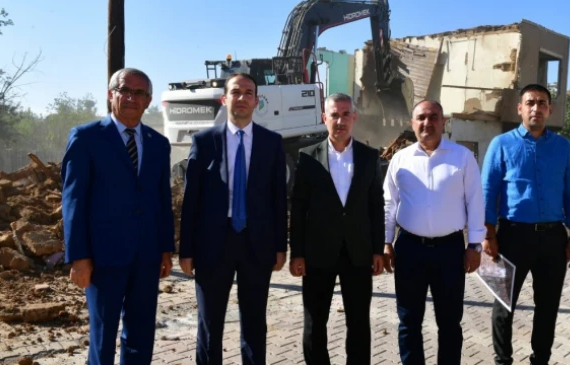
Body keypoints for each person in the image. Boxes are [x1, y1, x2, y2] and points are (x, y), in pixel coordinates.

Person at [61, 68, 175, 365]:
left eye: (139, 93)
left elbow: (162, 200)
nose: (131, 98)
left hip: (147, 256)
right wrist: (79, 257)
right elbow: (73, 201)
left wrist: (165, 249)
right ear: (111, 94)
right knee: (103, 335)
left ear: (148, 100)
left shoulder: (158, 143)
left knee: (141, 334)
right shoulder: (86, 138)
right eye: (124, 90)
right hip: (102, 259)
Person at [178, 73, 287, 365]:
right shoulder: (204, 142)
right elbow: (191, 200)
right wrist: (186, 250)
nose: (242, 98)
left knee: (254, 324)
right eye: (236, 92)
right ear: (224, 99)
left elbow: (278, 199)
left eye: (248, 93)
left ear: (257, 101)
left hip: (256, 244)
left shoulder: (272, 143)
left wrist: (280, 246)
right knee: (209, 326)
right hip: (213, 244)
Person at [481, 83, 570, 365]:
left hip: (553, 239)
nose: (536, 108)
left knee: (547, 307)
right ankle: (502, 360)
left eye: (542, 103)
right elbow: (487, 192)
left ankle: (540, 359)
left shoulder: (563, 147)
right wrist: (488, 234)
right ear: (520, 108)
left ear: (550, 109)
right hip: (510, 237)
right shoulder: (501, 144)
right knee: (503, 304)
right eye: (530, 103)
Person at [383, 99, 485, 365]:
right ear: (412, 123)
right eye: (421, 118)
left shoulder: (462, 157)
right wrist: (386, 242)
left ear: (443, 122)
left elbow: (475, 201)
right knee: (409, 322)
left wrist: (475, 245)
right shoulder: (400, 159)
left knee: (450, 322)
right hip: (409, 250)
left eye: (433, 117)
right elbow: (389, 203)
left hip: (449, 251)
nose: (427, 123)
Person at [289, 92, 385, 365]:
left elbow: (376, 206)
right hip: (318, 254)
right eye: (334, 115)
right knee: (314, 323)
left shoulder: (369, 157)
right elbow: (298, 209)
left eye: (345, 115)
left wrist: (377, 250)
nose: (340, 121)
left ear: (354, 117)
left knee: (359, 324)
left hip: (358, 253)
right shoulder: (308, 157)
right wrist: (297, 253)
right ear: (324, 118)